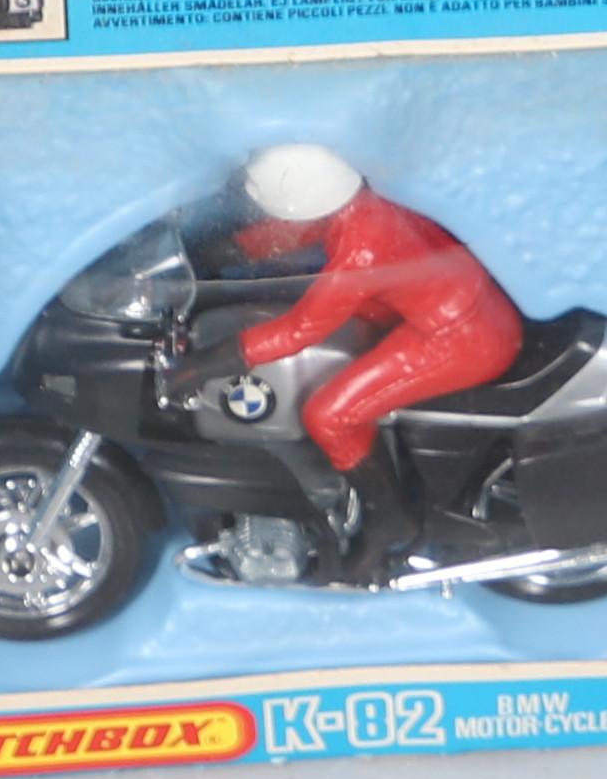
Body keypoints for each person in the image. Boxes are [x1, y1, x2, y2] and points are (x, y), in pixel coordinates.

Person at [219, 143, 525, 566]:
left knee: (329, 416)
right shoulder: (368, 199)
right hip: (463, 306)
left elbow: (299, 330)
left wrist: (214, 361)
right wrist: (228, 252)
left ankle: (390, 521)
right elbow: (305, 229)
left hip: (462, 338)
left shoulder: (360, 249)